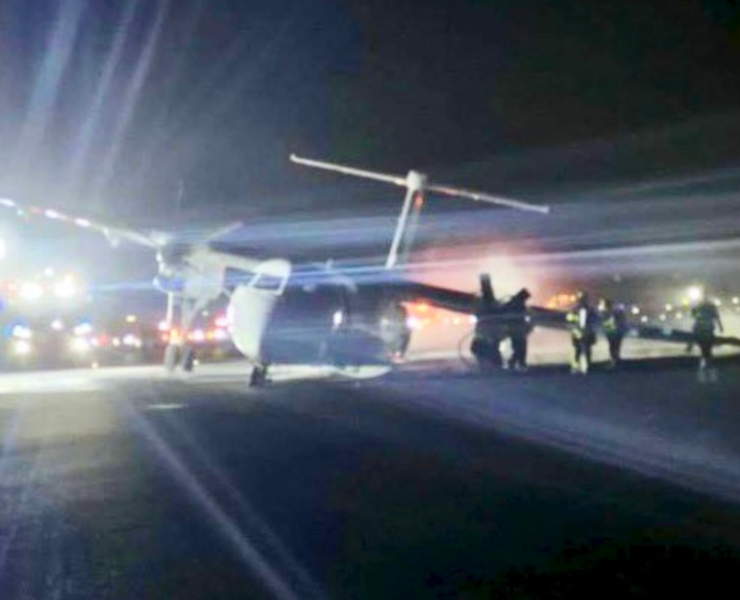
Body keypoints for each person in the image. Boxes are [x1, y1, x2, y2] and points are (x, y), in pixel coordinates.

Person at [691, 294, 723, 381]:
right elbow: (717, 317)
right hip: (707, 329)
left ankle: (704, 367)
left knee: (704, 349)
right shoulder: (710, 306)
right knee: (707, 349)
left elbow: (693, 314)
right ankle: (709, 367)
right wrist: (720, 327)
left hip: (702, 329)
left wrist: (720, 326)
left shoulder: (700, 306)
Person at [567, 291, 598, 374]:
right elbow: (570, 322)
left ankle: (588, 366)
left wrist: (590, 330)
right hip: (577, 332)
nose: (582, 301)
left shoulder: (591, 310)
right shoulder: (574, 310)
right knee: (578, 350)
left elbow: (595, 321)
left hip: (587, 332)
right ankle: (576, 367)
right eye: (581, 299)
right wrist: (575, 330)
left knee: (587, 350)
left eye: (583, 299)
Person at [502, 288, 532, 371]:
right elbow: (523, 316)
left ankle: (517, 363)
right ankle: (517, 363)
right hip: (517, 330)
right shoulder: (518, 304)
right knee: (520, 348)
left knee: (519, 348)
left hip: (515, 330)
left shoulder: (512, 303)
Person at [599, 298, 628, 368]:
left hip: (613, 332)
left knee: (613, 347)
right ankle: (616, 361)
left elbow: (608, 323)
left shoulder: (608, 312)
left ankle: (614, 362)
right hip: (618, 332)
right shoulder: (617, 311)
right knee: (616, 347)